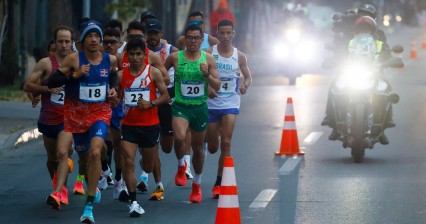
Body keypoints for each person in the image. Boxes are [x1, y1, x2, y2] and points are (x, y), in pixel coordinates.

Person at [47, 20, 118, 223]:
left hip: (100, 113)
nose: (94, 40)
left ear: (102, 40)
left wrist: (113, 90)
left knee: (95, 151)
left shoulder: (110, 59)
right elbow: (52, 82)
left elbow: (113, 77)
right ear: (83, 41)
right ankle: (92, 184)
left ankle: (88, 208)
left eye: (97, 36)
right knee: (85, 158)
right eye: (90, 36)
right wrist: (75, 76)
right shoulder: (73, 59)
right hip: (76, 116)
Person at [164, 25, 220, 203]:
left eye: (196, 38)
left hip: (200, 108)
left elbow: (217, 85)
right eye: (190, 38)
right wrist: (165, 90)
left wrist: (207, 76)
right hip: (181, 106)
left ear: (201, 39)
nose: (193, 41)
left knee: (198, 149)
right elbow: (162, 74)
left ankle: (197, 184)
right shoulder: (175, 58)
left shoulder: (208, 59)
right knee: (179, 138)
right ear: (184, 40)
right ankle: (181, 165)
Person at [23, 26, 75, 210]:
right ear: (54, 42)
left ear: (72, 43)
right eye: (60, 41)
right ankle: (58, 187)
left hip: (68, 119)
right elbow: (28, 85)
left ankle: (59, 191)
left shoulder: (77, 63)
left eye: (67, 41)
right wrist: (46, 89)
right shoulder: (46, 63)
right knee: (52, 158)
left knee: (62, 153)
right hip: (48, 118)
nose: (63, 44)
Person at [321, 15, 393, 145]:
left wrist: (391, 61)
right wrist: (333, 61)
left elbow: (388, 56)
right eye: (361, 28)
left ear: (372, 30)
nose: (364, 31)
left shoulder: (380, 44)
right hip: (352, 72)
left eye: (367, 28)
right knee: (334, 86)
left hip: (375, 73)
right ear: (356, 30)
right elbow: (339, 55)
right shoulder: (350, 42)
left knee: (386, 87)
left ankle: (384, 125)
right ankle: (333, 122)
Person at [118, 38, 170, 216]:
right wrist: (112, 99)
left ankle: (145, 163)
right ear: (127, 55)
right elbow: (116, 98)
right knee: (128, 161)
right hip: (129, 126)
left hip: (150, 125)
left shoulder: (153, 72)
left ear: (144, 55)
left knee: (147, 166)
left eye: (138, 54)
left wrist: (151, 103)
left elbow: (166, 96)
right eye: (131, 54)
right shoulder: (121, 75)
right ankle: (133, 202)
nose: (135, 57)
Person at [205, 19, 252, 199]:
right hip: (211, 105)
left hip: (231, 103)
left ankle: (219, 183)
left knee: (226, 142)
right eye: (222, 33)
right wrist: (208, 88)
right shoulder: (209, 54)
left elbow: (247, 76)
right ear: (217, 34)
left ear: (233, 34)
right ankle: (213, 139)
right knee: (212, 146)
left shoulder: (239, 56)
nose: (225, 36)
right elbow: (201, 77)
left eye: (228, 33)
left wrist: (245, 86)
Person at [142, 18, 179, 200]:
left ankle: (151, 160)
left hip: (166, 99)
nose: (153, 37)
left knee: (166, 146)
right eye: (149, 33)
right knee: (152, 144)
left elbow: (174, 76)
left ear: (161, 34)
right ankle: (157, 184)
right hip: (147, 102)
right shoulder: (138, 51)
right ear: (145, 35)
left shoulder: (171, 51)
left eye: (156, 33)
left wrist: (168, 88)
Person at [99, 28, 125, 198]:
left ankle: (118, 179)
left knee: (119, 145)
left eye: (112, 42)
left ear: (119, 44)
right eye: (106, 42)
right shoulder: (95, 59)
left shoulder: (121, 60)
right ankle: (104, 167)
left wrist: (116, 92)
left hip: (117, 106)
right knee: (100, 142)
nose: (109, 45)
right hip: (97, 107)